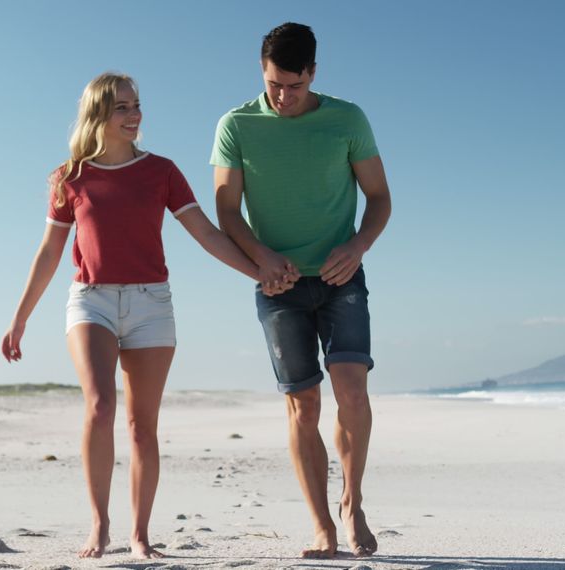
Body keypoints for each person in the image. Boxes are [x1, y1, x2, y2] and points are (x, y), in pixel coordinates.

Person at [3, 72, 258, 559]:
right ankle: (99, 526)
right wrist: (21, 318)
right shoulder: (70, 177)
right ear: (98, 114)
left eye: (137, 105)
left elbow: (206, 234)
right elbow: (49, 254)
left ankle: (140, 535)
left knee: (143, 426)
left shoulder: (161, 171)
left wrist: (256, 272)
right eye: (122, 107)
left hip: (151, 304)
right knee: (100, 407)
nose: (134, 114)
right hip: (91, 300)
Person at [210, 23, 391, 558]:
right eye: (272, 84)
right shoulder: (236, 124)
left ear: (313, 73)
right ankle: (321, 528)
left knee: (353, 394)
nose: (282, 97)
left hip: (341, 277)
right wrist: (261, 258)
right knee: (303, 406)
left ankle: (352, 504)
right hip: (277, 284)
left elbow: (379, 198)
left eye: (292, 84)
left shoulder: (347, 120)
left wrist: (357, 246)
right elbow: (225, 210)